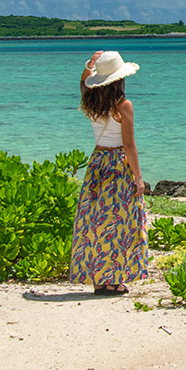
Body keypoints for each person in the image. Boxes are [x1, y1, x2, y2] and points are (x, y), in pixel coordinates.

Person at [71, 50, 148, 296]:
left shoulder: (91, 100)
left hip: (97, 162)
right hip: (117, 164)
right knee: (118, 222)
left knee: (97, 222)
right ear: (120, 79)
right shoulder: (123, 105)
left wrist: (90, 65)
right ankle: (113, 280)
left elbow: (83, 83)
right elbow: (129, 145)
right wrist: (138, 177)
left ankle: (100, 279)